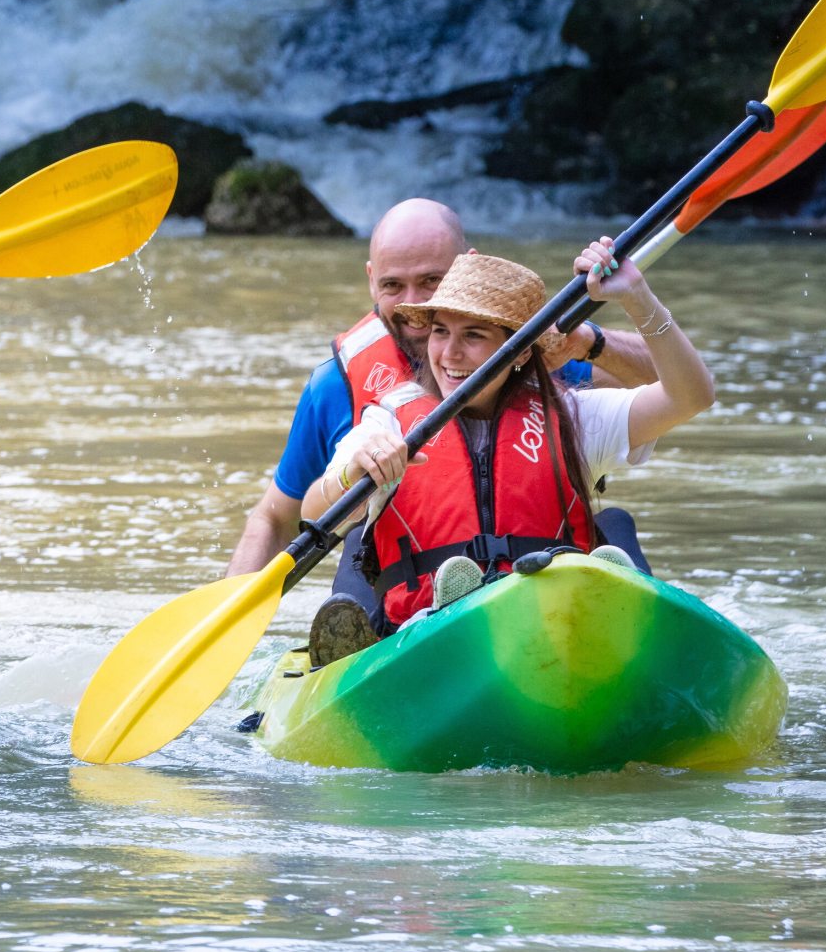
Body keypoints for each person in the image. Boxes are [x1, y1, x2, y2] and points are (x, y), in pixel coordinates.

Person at [226, 200, 656, 612]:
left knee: (614, 523)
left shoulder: (519, 352)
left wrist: (591, 343)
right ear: (371, 279)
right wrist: (227, 624)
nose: (413, 304)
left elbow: (670, 382)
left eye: (431, 280)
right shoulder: (336, 385)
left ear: (467, 267)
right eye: (393, 285)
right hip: (411, 597)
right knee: (359, 541)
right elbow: (278, 519)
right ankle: (347, 646)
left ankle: (634, 629)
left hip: (537, 577)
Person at [299, 236, 714, 653]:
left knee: (611, 530)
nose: (449, 353)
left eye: (474, 335)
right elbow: (314, 513)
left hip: (551, 625)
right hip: (421, 640)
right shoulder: (389, 419)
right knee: (395, 577)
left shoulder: (574, 417)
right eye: (440, 331)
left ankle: (610, 594)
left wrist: (638, 297)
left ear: (516, 352)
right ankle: (453, 608)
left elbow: (691, 397)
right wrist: (352, 473)